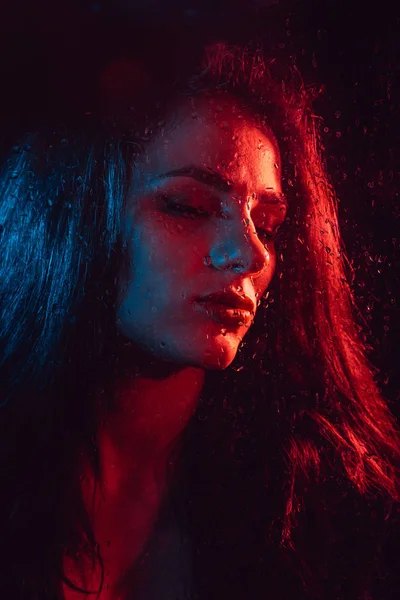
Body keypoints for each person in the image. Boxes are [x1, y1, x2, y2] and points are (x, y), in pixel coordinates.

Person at [1, 26, 400, 600]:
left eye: (267, 225)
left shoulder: (332, 509)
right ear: (72, 215)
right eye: (187, 206)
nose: (250, 251)